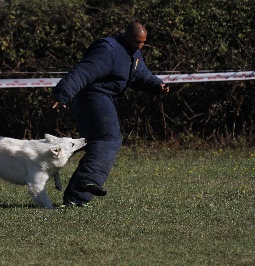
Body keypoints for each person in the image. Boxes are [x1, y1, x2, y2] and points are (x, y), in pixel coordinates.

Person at [51, 20, 169, 207]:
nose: (140, 46)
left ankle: (77, 197)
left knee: (101, 141)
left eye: (143, 43)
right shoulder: (108, 50)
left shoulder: (134, 53)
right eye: (138, 42)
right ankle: (84, 183)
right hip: (92, 97)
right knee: (108, 139)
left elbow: (140, 75)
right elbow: (83, 71)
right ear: (127, 36)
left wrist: (157, 85)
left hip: (105, 98)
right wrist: (63, 93)